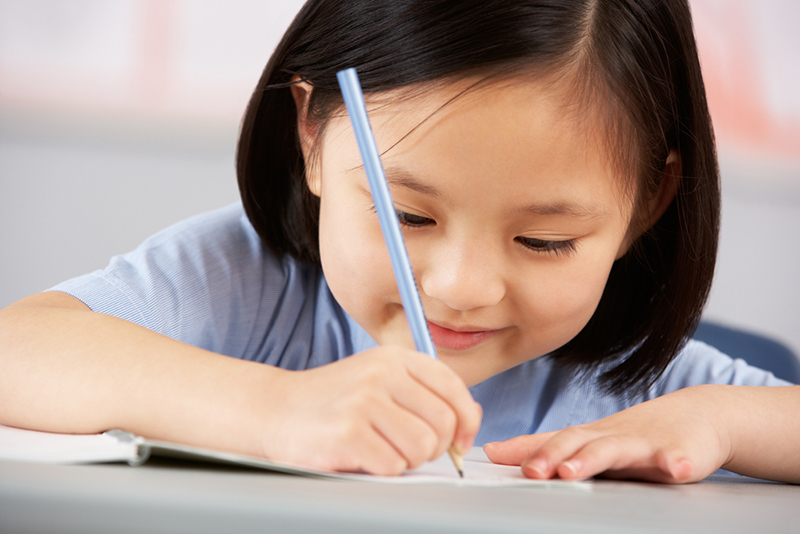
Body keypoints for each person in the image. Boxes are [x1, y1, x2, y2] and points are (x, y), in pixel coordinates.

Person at [0, 0, 797, 484]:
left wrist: (726, 421)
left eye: (544, 239)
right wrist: (276, 410)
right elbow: (19, 348)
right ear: (313, 135)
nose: (460, 287)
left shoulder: (631, 387)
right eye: (409, 216)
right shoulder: (254, 284)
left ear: (647, 206)